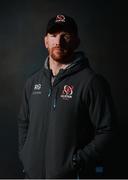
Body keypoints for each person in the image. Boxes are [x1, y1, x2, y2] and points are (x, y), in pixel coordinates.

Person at [18, 14, 115, 179]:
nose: (59, 41)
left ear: (76, 42)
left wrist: (77, 161)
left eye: (66, 36)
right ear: (46, 41)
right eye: (53, 36)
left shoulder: (91, 82)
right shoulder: (32, 82)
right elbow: (23, 122)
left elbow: (108, 130)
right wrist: (25, 155)